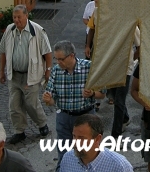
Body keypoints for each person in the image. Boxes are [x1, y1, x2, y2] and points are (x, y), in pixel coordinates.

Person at [43, 41, 105, 170]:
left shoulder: (89, 67)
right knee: (64, 153)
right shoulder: (56, 71)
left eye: (61, 59)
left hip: (86, 117)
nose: (58, 62)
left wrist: (92, 93)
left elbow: (103, 94)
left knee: (87, 151)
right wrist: (48, 100)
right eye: (56, 59)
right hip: (64, 117)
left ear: (71, 56)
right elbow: (52, 99)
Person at [0, 4, 51, 144]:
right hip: (14, 75)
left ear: (26, 16)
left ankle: (42, 124)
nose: (16, 20)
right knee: (14, 105)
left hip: (31, 74)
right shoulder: (9, 30)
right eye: (14, 17)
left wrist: (48, 71)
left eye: (19, 17)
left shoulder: (37, 31)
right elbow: (3, 51)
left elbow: (47, 52)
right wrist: (1, 72)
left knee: (31, 103)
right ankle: (19, 131)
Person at [60, 115, 133, 172]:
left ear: (97, 139)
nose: (75, 142)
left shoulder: (119, 166)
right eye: (74, 136)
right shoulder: (68, 159)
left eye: (81, 138)